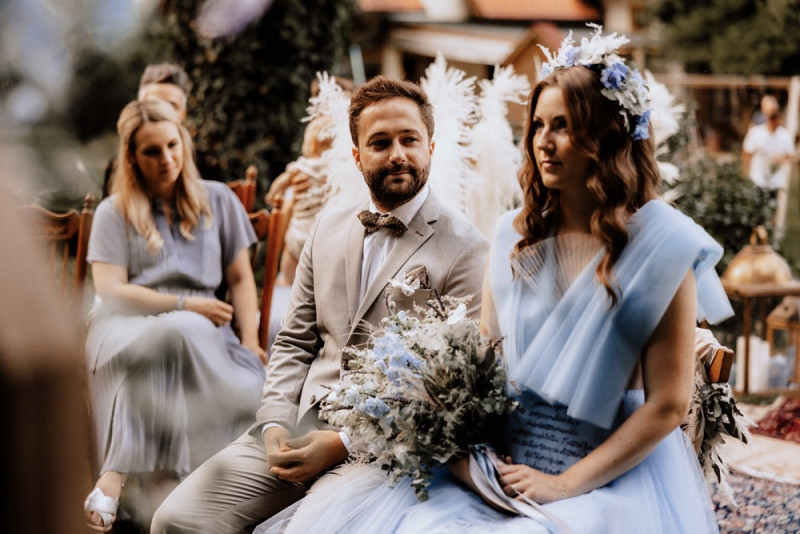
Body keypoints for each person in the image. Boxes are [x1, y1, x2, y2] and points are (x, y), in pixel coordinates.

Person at [252, 26, 735, 534]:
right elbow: (483, 364)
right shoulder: (511, 234)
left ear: (607, 135)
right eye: (538, 125)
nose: (543, 141)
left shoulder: (665, 246)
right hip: (505, 453)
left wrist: (563, 485)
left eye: (564, 126)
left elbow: (668, 405)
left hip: (605, 467)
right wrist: (465, 452)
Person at [150, 75, 489, 533]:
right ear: (357, 156)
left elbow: (449, 386)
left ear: (430, 146)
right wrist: (274, 423)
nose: (397, 154)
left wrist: (345, 442)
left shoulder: (468, 249)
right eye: (380, 142)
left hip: (384, 452)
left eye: (409, 139)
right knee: (173, 520)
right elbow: (293, 342)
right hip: (296, 425)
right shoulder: (326, 230)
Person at [83, 99, 266, 531]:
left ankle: (139, 483)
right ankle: (128, 476)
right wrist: (184, 304)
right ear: (132, 158)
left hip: (201, 328)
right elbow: (111, 291)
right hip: (124, 322)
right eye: (151, 151)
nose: (166, 158)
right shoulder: (114, 211)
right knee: (171, 332)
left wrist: (251, 340)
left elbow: (241, 278)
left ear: (183, 144)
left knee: (184, 337)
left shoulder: (219, 200)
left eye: (172, 145)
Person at [102, 63, 223, 198]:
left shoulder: (207, 166)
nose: (162, 112)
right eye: (153, 105)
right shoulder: (116, 168)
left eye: (172, 106)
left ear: (183, 114)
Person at [742, 94, 795, 240]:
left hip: (774, 181)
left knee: (770, 211)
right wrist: (745, 170)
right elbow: (747, 152)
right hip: (757, 179)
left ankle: (768, 238)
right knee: (755, 211)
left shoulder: (784, 135)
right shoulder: (756, 132)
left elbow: (790, 155)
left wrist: (781, 159)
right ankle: (754, 238)